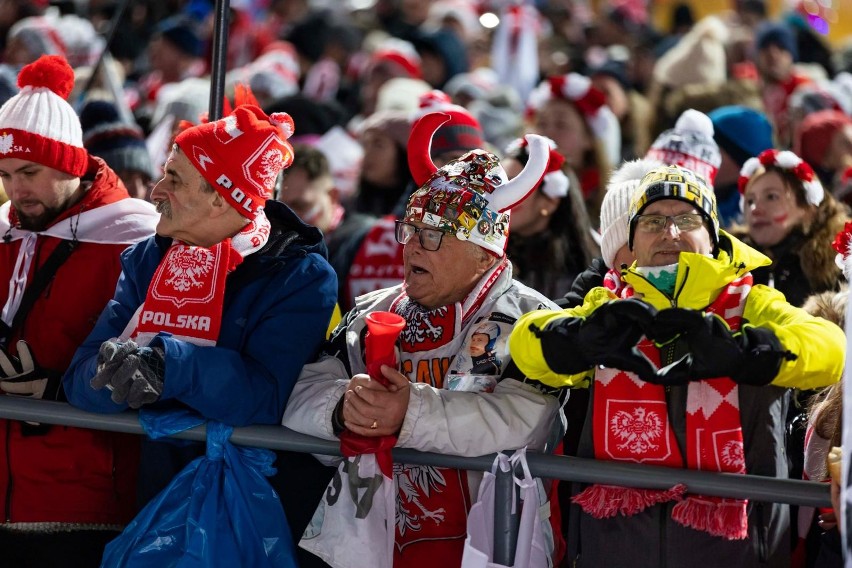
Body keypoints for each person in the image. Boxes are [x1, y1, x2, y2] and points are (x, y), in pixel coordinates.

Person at [508, 164, 845, 567]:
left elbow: (832, 350)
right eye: (653, 221)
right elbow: (525, 341)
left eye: (686, 219)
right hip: (615, 546)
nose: (669, 233)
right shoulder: (608, 304)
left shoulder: (751, 303)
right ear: (632, 241)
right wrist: (577, 341)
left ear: (714, 237)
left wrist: (745, 350)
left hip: (735, 549)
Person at [282, 112, 562, 567]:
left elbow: (525, 421)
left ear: (483, 250)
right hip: (375, 544)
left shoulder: (535, 319)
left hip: (490, 545)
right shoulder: (373, 310)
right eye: (408, 231)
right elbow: (299, 391)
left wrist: (407, 411)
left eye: (431, 236)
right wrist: (342, 408)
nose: (409, 247)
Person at [64, 103, 338, 563]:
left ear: (221, 197)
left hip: (257, 506)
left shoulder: (301, 276)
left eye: (174, 179)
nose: (156, 191)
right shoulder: (146, 259)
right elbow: (79, 381)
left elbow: (267, 394)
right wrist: (112, 375)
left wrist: (169, 366)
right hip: (151, 495)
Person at [0, 55, 158, 567]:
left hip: (88, 498)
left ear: (70, 161)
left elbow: (159, 361)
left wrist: (61, 388)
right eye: (4, 174)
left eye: (29, 171)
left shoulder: (136, 237)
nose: (16, 190)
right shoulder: (6, 230)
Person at [502, 136, 600, 300]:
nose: (501, 193)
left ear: (550, 201)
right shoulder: (485, 255)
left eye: (515, 183)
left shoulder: (582, 275)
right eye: (499, 182)